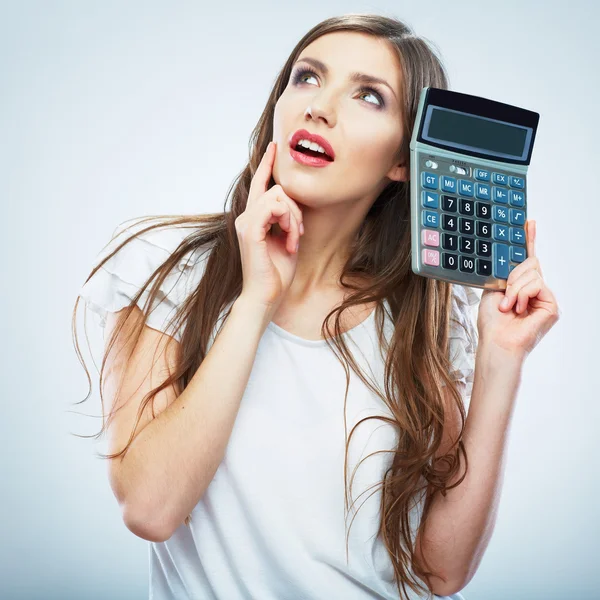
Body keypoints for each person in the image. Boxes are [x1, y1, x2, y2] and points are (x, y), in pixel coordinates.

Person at [73, 13, 560, 600]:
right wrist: (257, 298)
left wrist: (501, 359)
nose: (320, 107)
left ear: (403, 161)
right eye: (307, 77)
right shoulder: (169, 268)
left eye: (368, 96)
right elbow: (150, 507)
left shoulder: (425, 319)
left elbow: (440, 571)